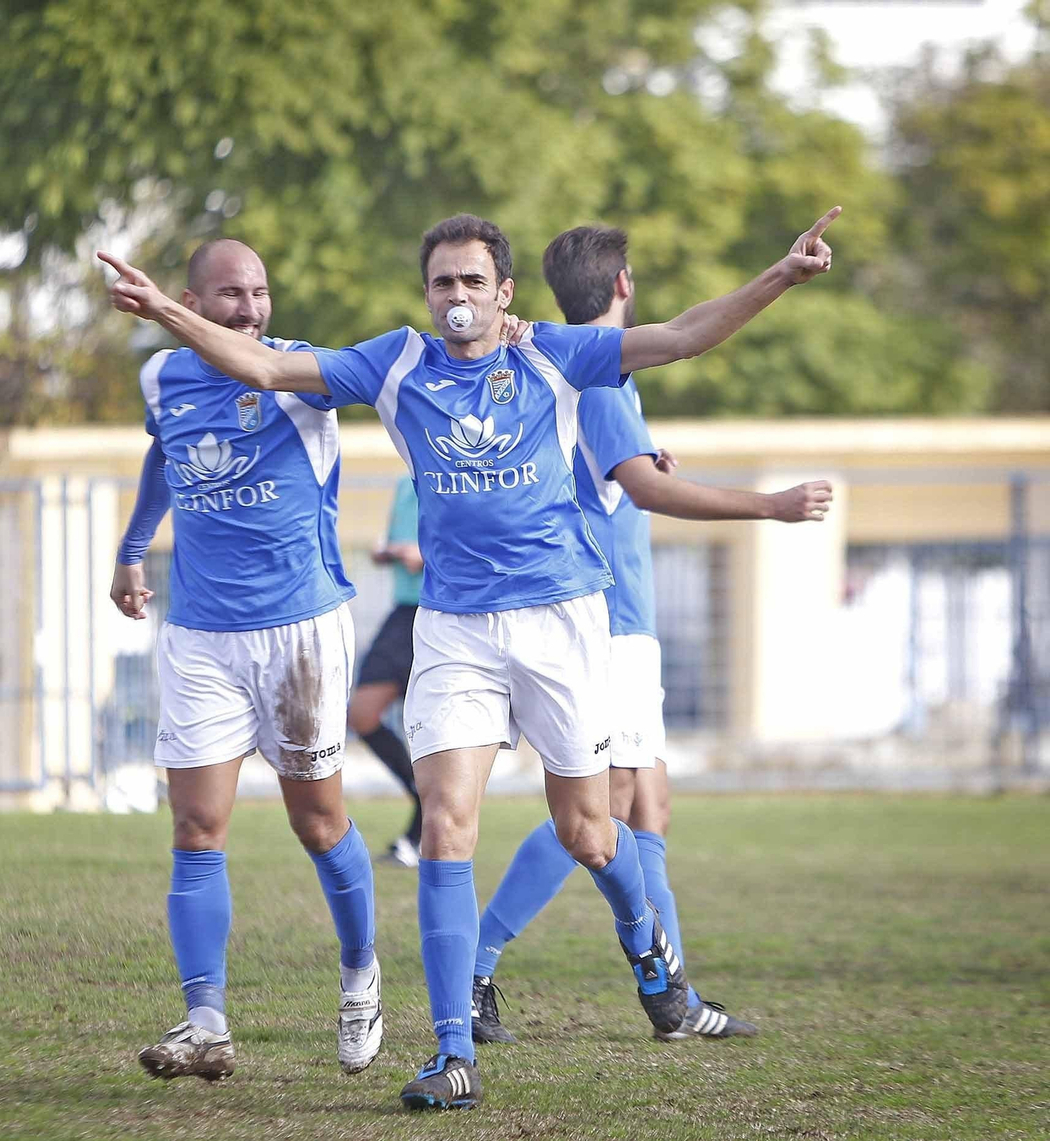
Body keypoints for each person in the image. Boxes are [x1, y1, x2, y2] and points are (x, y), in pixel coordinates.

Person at [98, 203, 838, 1110]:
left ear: (505, 292)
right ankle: (454, 1052)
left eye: (473, 282)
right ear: (427, 292)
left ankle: (649, 948)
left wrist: (782, 275)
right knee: (447, 823)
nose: (457, 296)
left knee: (589, 832)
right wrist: (164, 312)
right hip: (454, 629)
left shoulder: (554, 353)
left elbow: (683, 335)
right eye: (443, 281)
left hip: (563, 622)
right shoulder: (394, 362)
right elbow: (260, 361)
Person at [470, 225, 833, 1048]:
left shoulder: (599, 379)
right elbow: (641, 484)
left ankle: (671, 989)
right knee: (600, 813)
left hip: (623, 623)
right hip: (605, 624)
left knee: (644, 806)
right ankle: (491, 964)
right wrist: (767, 506)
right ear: (625, 282)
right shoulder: (597, 380)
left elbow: (622, 466)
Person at [108, 238, 383, 1083]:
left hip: (299, 629)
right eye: (231, 294)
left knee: (317, 823)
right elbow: (165, 450)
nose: (250, 308)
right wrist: (130, 546)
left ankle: (361, 972)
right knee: (195, 826)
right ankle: (206, 1023)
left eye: (260, 291)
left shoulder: (302, 367)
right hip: (200, 633)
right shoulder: (161, 377)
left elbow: (257, 369)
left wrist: (164, 311)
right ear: (198, 294)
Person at [349, 475, 426, 868]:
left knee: (434, 729)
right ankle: (423, 796)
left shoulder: (463, 468)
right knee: (361, 713)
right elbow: (396, 543)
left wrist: (424, 553)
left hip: (442, 612)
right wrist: (388, 551)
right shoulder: (402, 483)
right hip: (403, 613)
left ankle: (421, 833)